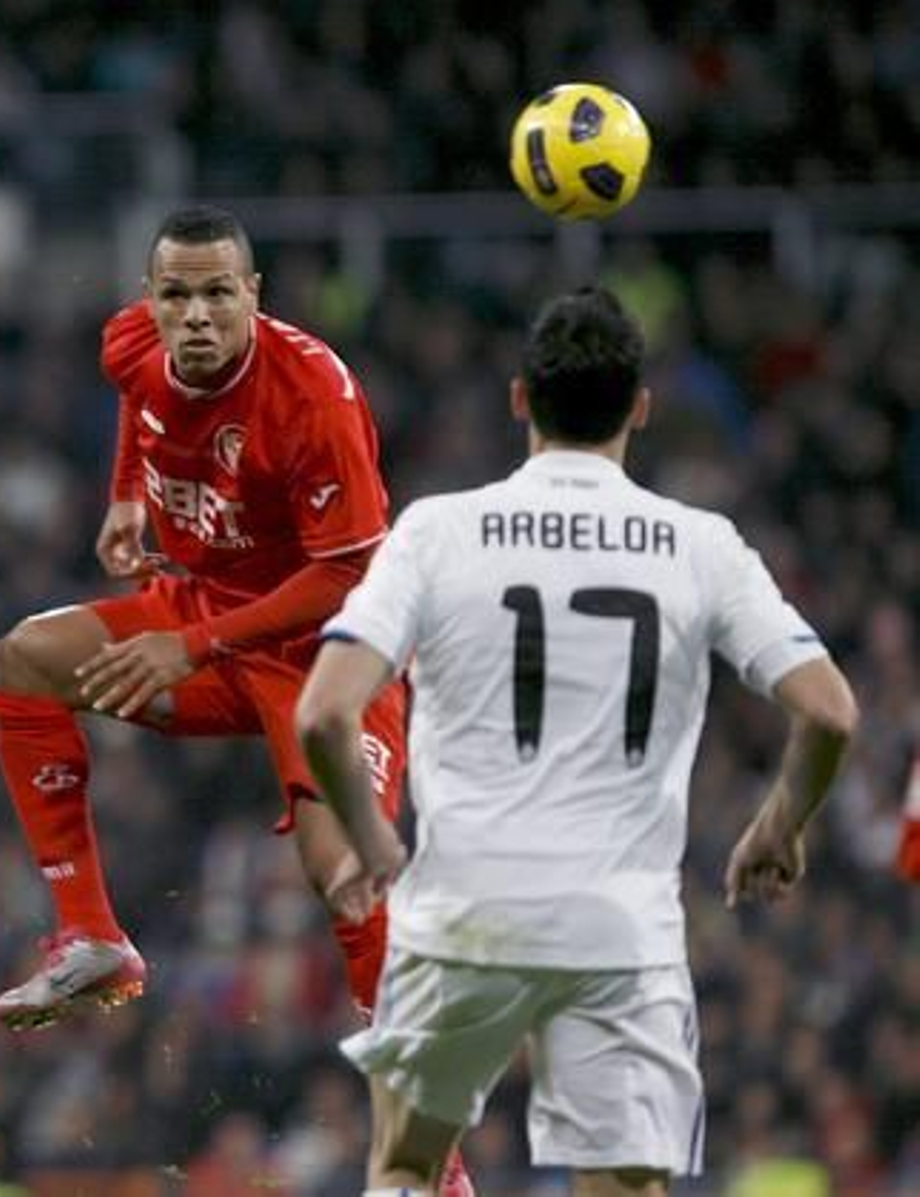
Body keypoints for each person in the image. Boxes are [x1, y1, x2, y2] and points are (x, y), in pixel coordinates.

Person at [295, 286, 859, 1197]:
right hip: (619, 928)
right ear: (641, 407)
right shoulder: (700, 544)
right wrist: (780, 823)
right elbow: (830, 710)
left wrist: (371, 837)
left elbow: (323, 711)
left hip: (464, 908)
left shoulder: (436, 531)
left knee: (406, 1166)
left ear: (520, 398)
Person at [0, 203, 475, 1195]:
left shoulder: (312, 394)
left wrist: (190, 645)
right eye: (177, 295)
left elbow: (351, 572)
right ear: (150, 301)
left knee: (344, 874)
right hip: (207, 609)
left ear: (253, 295)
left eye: (219, 293)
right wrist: (126, 496)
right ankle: (93, 936)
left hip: (331, 653)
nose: (198, 315)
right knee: (25, 659)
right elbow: (139, 398)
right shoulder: (134, 344)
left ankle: (436, 1167)